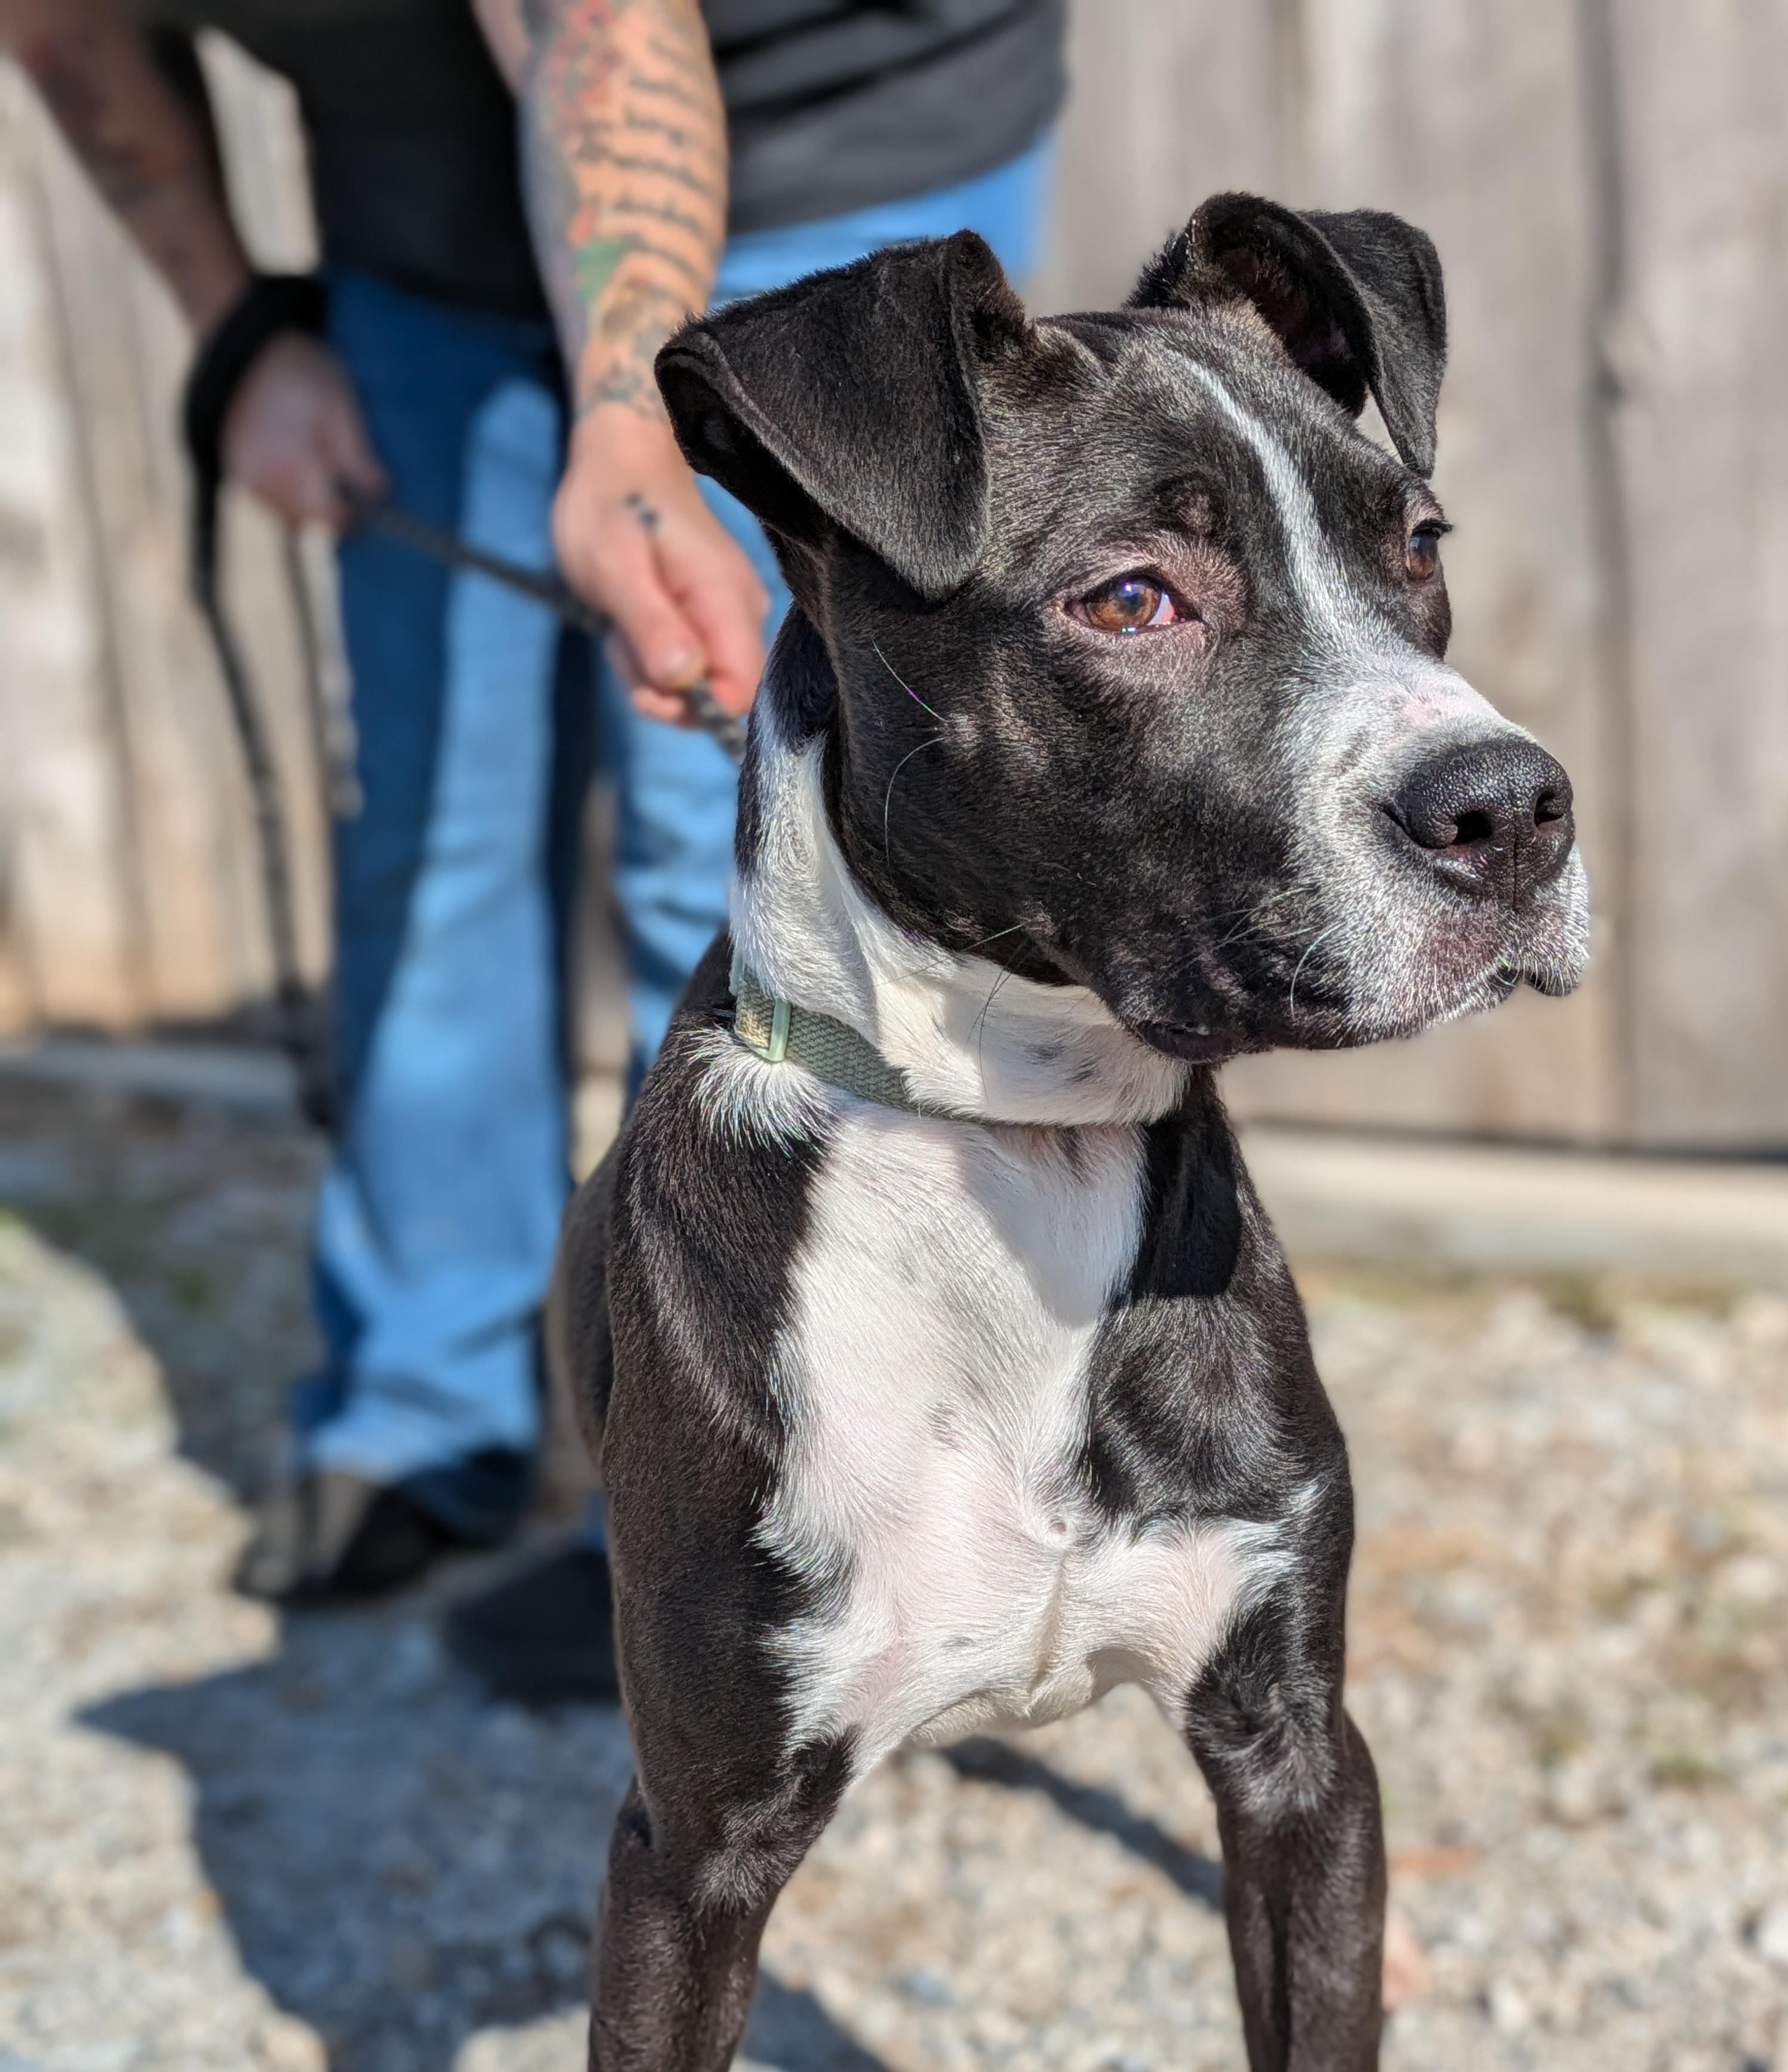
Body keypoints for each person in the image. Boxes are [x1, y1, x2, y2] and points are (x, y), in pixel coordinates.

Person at [2, 0, 1062, 1692]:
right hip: (428, 193)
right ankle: (425, 1410)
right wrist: (237, 336)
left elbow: (601, 27)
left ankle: (753, 1490)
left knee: (719, 846)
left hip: (832, 111)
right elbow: (64, 31)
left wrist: (635, 433)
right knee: (431, 819)